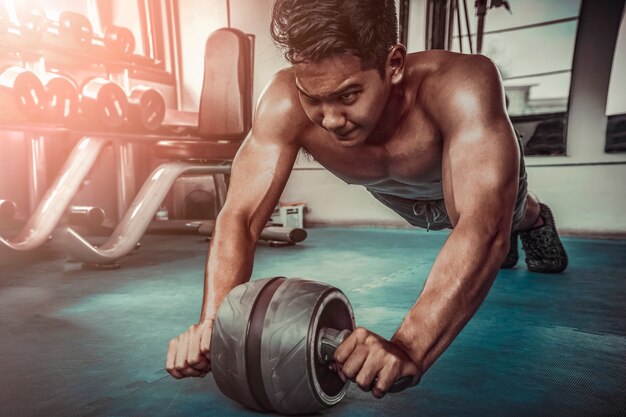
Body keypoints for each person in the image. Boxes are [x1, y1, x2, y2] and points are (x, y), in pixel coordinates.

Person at [165, 0, 568, 399]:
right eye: (313, 98)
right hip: (401, 196)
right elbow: (240, 216)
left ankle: (535, 220)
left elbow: (482, 226)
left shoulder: (461, 83)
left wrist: (409, 347)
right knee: (485, 243)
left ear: (393, 64)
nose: (331, 119)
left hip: (475, 187)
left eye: (347, 95)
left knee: (511, 217)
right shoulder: (284, 102)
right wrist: (214, 327)